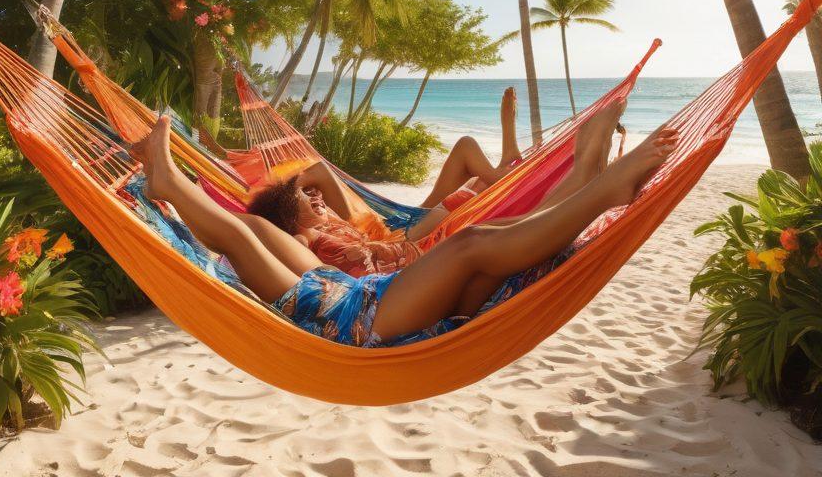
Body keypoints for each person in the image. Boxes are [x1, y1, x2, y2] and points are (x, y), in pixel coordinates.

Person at [131, 111, 677, 348]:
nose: (318, 201)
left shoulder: (310, 271)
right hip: (364, 320)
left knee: (494, 246)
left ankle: (588, 177)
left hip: (376, 299)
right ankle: (596, 187)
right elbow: (237, 231)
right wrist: (186, 196)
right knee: (474, 243)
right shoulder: (299, 254)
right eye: (306, 201)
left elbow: (244, 229)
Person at [246, 93, 626, 276]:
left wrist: (289, 189)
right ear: (285, 213)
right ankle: (558, 174)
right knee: (482, 198)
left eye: (310, 196)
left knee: (475, 174)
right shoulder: (304, 237)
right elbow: (281, 252)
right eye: (304, 198)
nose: (316, 201)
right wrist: (281, 194)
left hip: (406, 237)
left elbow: (316, 174)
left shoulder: (327, 219)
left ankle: (548, 170)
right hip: (413, 247)